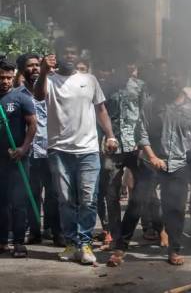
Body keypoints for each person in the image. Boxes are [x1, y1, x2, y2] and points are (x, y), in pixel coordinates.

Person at [109, 66, 191, 266]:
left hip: (179, 165)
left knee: (176, 209)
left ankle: (174, 250)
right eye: (169, 79)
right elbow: (141, 132)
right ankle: (120, 248)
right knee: (136, 205)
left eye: (177, 78)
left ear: (183, 81)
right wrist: (152, 156)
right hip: (151, 163)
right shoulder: (152, 104)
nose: (172, 82)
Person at [34, 40, 118, 264]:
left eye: (73, 52)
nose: (70, 56)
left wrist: (110, 134)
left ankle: (85, 244)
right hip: (59, 150)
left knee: (89, 199)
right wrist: (43, 71)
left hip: (88, 150)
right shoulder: (50, 81)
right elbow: (39, 96)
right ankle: (71, 243)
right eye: (66, 52)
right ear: (57, 55)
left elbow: (101, 109)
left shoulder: (89, 80)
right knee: (65, 199)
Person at [16, 54, 64, 247]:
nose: (36, 68)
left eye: (38, 65)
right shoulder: (17, 95)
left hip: (51, 149)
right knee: (32, 194)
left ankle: (56, 232)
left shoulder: (52, 89)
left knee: (54, 194)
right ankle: (34, 232)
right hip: (29, 152)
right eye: (31, 66)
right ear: (22, 70)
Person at [98, 61, 145, 250]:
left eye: (132, 63)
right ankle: (116, 237)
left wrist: (144, 144)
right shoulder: (105, 86)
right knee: (111, 193)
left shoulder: (141, 87)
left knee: (142, 191)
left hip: (136, 146)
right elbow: (100, 113)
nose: (128, 66)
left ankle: (129, 232)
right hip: (113, 147)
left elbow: (144, 115)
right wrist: (105, 138)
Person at [0, 60, 37, 258]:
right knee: (1, 202)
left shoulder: (20, 98)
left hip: (17, 160)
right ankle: (2, 241)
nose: (4, 81)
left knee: (18, 202)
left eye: (7, 77)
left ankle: (19, 243)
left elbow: (32, 124)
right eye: (1, 77)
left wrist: (23, 148)